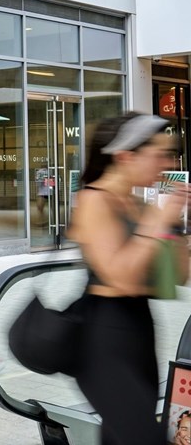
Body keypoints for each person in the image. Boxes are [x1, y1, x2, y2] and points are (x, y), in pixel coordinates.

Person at [69, 113, 190, 445]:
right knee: (143, 436)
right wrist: (156, 222)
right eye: (160, 154)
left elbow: (179, 275)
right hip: (102, 338)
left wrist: (174, 222)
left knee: (119, 436)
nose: (167, 162)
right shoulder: (92, 200)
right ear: (125, 156)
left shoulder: (139, 204)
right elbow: (119, 277)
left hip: (140, 328)